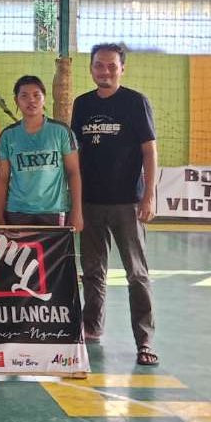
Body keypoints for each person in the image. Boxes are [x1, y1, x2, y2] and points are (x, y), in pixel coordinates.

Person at [70, 43, 159, 366]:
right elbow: (76, 156)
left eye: (111, 66)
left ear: (122, 68)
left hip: (127, 204)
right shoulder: (82, 104)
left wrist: (149, 195)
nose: (104, 71)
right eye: (98, 65)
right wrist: (75, 203)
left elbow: (149, 152)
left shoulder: (136, 103)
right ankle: (92, 327)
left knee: (137, 274)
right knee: (92, 271)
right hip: (91, 202)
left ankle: (145, 340)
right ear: (91, 68)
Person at [0, 75, 83, 231]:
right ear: (16, 101)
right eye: (24, 96)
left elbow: (74, 172)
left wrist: (77, 211)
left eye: (36, 95)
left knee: (55, 256)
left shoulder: (61, 131)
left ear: (44, 98)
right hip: (17, 212)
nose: (31, 100)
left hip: (54, 211)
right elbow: (2, 178)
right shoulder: (8, 135)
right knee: (20, 255)